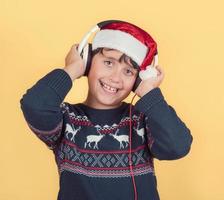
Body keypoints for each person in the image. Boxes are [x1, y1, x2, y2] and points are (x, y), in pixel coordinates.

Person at [20, 20, 193, 200]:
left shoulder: (143, 120)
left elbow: (178, 146)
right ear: (88, 63)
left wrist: (150, 94)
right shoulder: (66, 119)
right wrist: (72, 69)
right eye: (109, 63)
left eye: (128, 72)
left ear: (138, 80)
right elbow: (34, 105)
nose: (115, 78)